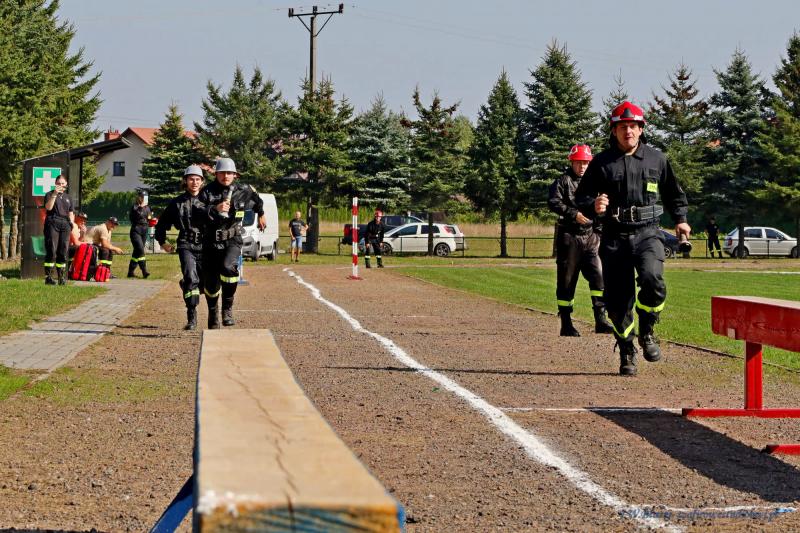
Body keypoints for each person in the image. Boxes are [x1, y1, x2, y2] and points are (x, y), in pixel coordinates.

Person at [575, 101, 690, 376]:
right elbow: (582, 197)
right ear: (614, 131)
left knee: (653, 279)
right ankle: (627, 348)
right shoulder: (601, 162)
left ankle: (647, 330)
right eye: (623, 127)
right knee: (617, 300)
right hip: (614, 237)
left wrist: (681, 219)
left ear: (641, 129)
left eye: (633, 126)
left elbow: (674, 194)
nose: (628, 131)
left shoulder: (657, 159)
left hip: (648, 233)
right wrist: (593, 205)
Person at [548, 144, 614, 336]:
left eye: (585, 162)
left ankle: (600, 320)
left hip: (591, 237)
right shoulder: (563, 181)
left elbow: (604, 207)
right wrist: (573, 214)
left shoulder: (596, 182)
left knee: (599, 276)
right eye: (578, 162)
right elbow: (553, 202)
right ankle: (566, 323)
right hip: (570, 237)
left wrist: (600, 231)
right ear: (572, 162)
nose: (582, 166)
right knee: (567, 281)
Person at [200, 157, 265, 328]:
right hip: (211, 241)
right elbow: (197, 212)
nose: (226, 176)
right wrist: (214, 209)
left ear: (235, 175)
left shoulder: (244, 190)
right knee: (211, 282)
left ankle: (227, 309)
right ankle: (213, 312)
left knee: (229, 268)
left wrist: (261, 214)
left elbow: (258, 201)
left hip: (233, 239)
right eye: (222, 173)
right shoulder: (206, 192)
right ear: (216, 174)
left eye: (229, 173)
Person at [155, 165, 207, 330]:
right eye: (191, 179)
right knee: (191, 277)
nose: (194, 182)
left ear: (202, 181)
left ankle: (186, 285)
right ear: (185, 181)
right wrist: (163, 242)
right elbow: (161, 224)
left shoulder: (209, 200)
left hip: (206, 245)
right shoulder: (176, 203)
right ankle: (192, 317)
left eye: (197, 179)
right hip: (186, 244)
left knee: (206, 282)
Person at [42, 175, 75, 285]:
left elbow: (71, 212)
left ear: (66, 184)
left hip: (65, 224)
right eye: (58, 183)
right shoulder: (49, 194)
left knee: (63, 251)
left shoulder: (68, 197)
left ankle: (61, 278)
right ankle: (49, 277)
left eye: (63, 183)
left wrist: (71, 224)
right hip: (53, 222)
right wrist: (55, 194)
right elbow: (48, 208)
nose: (61, 185)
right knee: (51, 250)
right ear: (55, 184)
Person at [128, 189, 153, 278]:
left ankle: (130, 272)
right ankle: (144, 271)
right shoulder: (135, 207)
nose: (144, 199)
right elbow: (136, 215)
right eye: (143, 197)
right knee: (140, 249)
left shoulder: (147, 207)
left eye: (146, 197)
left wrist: (152, 220)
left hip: (145, 230)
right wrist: (141, 206)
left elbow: (149, 217)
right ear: (139, 198)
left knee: (137, 252)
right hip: (136, 230)